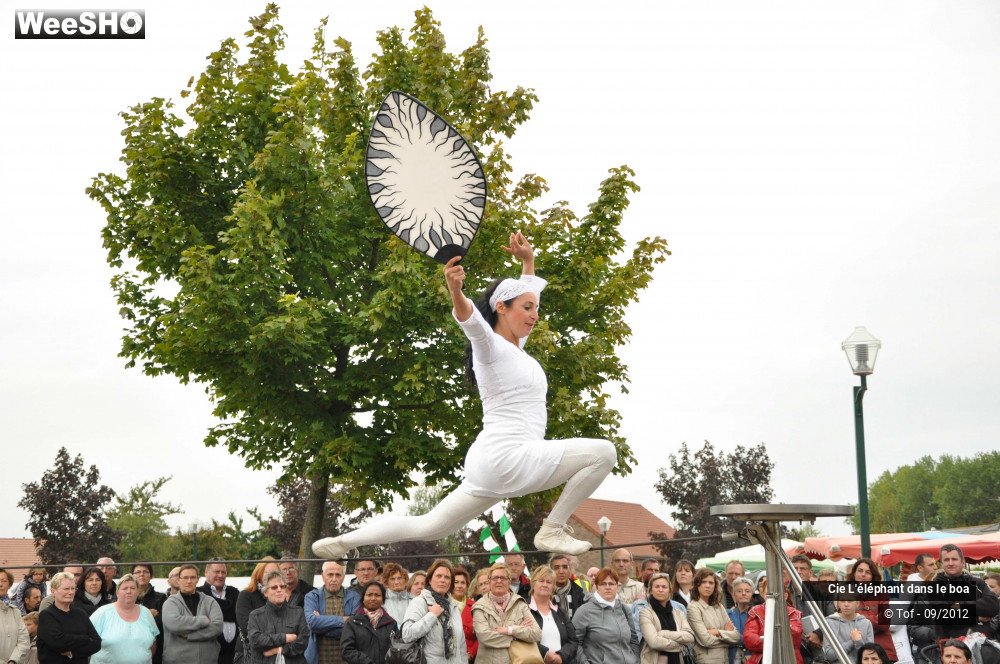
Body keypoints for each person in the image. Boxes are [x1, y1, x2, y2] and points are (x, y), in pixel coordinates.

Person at [312, 233, 617, 559]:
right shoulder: (489, 348)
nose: (535, 314)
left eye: (536, 308)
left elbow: (526, 293)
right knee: (603, 453)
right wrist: (455, 290)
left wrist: (528, 261)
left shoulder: (515, 348)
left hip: (490, 463)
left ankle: (342, 542)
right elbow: (472, 322)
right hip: (510, 456)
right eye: (527, 308)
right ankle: (553, 529)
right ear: (501, 307)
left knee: (429, 526)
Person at [472, 561, 540, 664]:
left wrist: (510, 630)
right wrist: (516, 635)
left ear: (509, 581)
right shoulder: (479, 607)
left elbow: (536, 633)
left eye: (503, 578)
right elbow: (484, 637)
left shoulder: (520, 604)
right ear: (490, 581)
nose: (499, 581)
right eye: (495, 578)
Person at [402, 559, 466, 664]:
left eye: (447, 577)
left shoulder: (453, 607)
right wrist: (432, 615)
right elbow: (407, 634)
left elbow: (461, 646)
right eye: (438, 576)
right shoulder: (419, 602)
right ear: (430, 580)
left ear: (450, 582)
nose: (442, 580)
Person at [572, 567, 639, 664]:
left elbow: (633, 640)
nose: (607, 587)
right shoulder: (584, 611)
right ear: (597, 586)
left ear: (617, 586)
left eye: (611, 584)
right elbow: (575, 643)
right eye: (603, 584)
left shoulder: (624, 609)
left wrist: (635, 660)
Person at [89, 573, 159, 664]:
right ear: (117, 592)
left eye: (133, 588)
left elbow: (153, 643)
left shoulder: (146, 613)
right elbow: (87, 640)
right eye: (125, 588)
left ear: (138, 592)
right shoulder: (102, 613)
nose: (129, 591)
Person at [161, 564, 223, 664]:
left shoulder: (210, 601)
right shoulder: (170, 603)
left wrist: (190, 636)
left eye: (193, 577)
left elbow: (217, 627)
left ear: (198, 579)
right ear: (179, 580)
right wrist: (204, 620)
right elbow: (175, 624)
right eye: (185, 578)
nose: (189, 581)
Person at [37, 571, 102, 663]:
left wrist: (72, 653)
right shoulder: (47, 615)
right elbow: (58, 642)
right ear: (53, 591)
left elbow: (97, 643)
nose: (71, 592)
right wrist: (85, 638)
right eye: (66, 589)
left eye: (73, 588)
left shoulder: (81, 614)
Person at [304, 561, 361, 664]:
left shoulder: (354, 597)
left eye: (338, 575)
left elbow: (355, 628)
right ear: (323, 576)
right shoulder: (312, 596)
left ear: (343, 577)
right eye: (330, 574)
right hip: (319, 659)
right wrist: (343, 619)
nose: (334, 579)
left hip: (347, 660)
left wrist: (320, 627)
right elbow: (312, 623)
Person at [247, 570, 309, 664]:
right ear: (265, 593)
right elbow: (256, 641)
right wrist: (284, 638)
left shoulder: (298, 612)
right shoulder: (255, 616)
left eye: (282, 586)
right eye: (274, 587)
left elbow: (303, 642)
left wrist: (279, 650)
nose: (279, 590)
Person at [638, 572, 693, 664]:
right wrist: (680, 646)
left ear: (669, 591)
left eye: (664, 587)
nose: (660, 590)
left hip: (678, 660)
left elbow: (689, 637)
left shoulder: (679, 613)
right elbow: (654, 642)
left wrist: (663, 633)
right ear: (651, 590)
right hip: (655, 660)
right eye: (657, 587)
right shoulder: (645, 613)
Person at [847, 559, 896, 662]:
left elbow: (885, 622)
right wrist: (874, 619)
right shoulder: (845, 594)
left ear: (873, 576)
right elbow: (845, 621)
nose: (863, 574)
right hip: (853, 650)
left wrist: (859, 617)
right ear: (854, 573)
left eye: (868, 572)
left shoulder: (881, 592)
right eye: (860, 571)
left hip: (881, 650)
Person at [527, 565, 577, 664]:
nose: (545, 585)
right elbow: (520, 638)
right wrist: (545, 654)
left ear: (553, 587)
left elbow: (573, 641)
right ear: (533, 584)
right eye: (541, 581)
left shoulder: (560, 612)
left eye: (549, 582)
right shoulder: (523, 609)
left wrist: (560, 656)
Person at [687, 568, 739, 664]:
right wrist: (726, 635)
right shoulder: (693, 607)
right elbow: (705, 640)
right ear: (697, 584)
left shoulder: (719, 606)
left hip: (725, 660)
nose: (707, 586)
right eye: (704, 582)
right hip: (707, 660)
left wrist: (716, 631)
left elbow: (736, 636)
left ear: (715, 586)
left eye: (711, 583)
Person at [742, 584, 803, 664]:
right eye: (768, 594)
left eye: (777, 594)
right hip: (761, 660)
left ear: (785, 596)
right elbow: (749, 639)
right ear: (763, 595)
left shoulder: (794, 613)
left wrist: (766, 637)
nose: (773, 598)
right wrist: (776, 638)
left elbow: (794, 637)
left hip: (789, 659)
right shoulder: (755, 611)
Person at [341, 581, 396, 664]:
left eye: (377, 595)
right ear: (363, 598)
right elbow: (347, 650)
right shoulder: (352, 623)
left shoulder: (391, 623)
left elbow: (396, 650)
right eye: (369, 595)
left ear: (383, 600)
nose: (373, 598)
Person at [236, 557, 280, 662]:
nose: (271, 576)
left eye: (275, 572)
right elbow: (247, 627)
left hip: (276, 654)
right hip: (251, 654)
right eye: (267, 572)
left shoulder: (281, 596)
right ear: (259, 574)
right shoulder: (246, 595)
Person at [198, 558, 239, 664]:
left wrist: (214, 615)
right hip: (209, 654)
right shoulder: (199, 593)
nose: (220, 575)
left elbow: (238, 616)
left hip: (234, 654)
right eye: (216, 571)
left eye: (223, 572)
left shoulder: (234, 592)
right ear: (206, 572)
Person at [132, 565, 165, 664]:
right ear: (132, 576)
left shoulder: (161, 598)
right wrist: (147, 613)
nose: (142, 574)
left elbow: (162, 621)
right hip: (130, 650)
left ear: (151, 576)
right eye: (138, 572)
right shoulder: (126, 597)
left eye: (145, 572)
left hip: (155, 651)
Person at [0, 573, 30, 664]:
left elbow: (24, 639)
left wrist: (13, 660)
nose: (0, 584)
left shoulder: (15, 611)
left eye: (4, 581)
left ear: (9, 585)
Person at [549, 555, 587, 621]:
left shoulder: (580, 594)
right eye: (556, 568)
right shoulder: (545, 594)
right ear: (551, 571)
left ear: (569, 570)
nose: (561, 571)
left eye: (565, 567)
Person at [725, 577, 754, 664]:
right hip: (729, 658)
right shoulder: (726, 614)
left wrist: (731, 635)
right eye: (739, 591)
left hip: (750, 658)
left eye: (747, 591)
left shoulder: (756, 615)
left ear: (751, 594)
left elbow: (754, 641)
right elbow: (722, 638)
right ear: (734, 595)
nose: (744, 593)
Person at [464, 569, 489, 664]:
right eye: (480, 585)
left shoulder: (508, 602)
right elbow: (482, 636)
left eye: (486, 583)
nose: (483, 587)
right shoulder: (476, 607)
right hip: (482, 656)